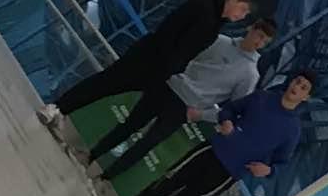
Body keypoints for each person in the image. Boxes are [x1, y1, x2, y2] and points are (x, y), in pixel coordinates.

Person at [56, 0, 265, 140]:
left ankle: (64, 110)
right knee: (104, 83)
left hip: (160, 71)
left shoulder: (216, 26)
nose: (241, 16)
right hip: (148, 57)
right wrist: (166, 62)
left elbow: (189, 51)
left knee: (110, 91)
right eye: (243, 9)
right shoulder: (202, 6)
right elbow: (169, 29)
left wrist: (169, 70)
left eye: (245, 14)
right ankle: (59, 107)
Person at [94, 11, 274, 184]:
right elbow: (190, 56)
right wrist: (171, 74)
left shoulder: (250, 74)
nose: (259, 42)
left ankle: (105, 178)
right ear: (251, 28)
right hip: (170, 86)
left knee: (147, 143)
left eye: (264, 41)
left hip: (186, 106)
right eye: (259, 35)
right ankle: (92, 155)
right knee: (130, 124)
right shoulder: (220, 41)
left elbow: (235, 108)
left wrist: (202, 115)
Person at [136, 71, 314, 196]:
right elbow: (229, 109)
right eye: (297, 81)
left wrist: (268, 170)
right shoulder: (262, 97)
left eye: (304, 87)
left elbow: (281, 163)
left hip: (229, 173)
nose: (297, 87)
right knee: (167, 182)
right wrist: (227, 120)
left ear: (306, 97)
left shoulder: (292, 130)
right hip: (211, 150)